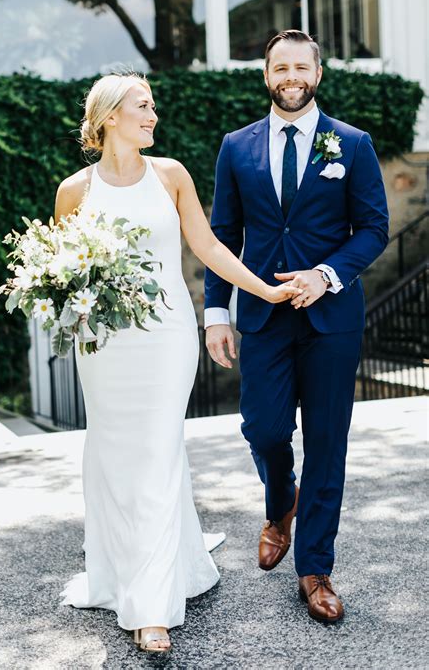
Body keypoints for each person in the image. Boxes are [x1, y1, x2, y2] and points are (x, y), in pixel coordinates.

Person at [56, 73, 302, 652]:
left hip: (166, 337)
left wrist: (260, 292)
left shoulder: (170, 175)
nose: (153, 115)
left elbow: (211, 245)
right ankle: (131, 567)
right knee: (115, 451)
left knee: (160, 451)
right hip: (105, 344)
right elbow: (65, 274)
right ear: (111, 116)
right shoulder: (75, 190)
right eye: (143, 106)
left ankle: (151, 607)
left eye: (154, 106)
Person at [204, 30, 389, 623]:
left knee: (328, 442)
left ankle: (314, 567)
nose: (290, 76)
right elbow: (221, 239)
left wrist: (327, 275)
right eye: (279, 67)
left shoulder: (352, 145)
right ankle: (279, 502)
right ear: (266, 75)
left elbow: (373, 228)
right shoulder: (236, 147)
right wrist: (216, 314)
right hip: (260, 316)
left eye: (300, 67)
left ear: (317, 73)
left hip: (331, 318)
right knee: (263, 429)